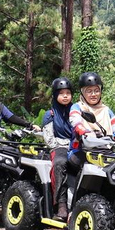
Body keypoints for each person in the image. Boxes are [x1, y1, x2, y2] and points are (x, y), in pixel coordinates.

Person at [68, 72, 115, 171]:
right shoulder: (78, 107)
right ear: (82, 92)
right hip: (82, 150)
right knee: (89, 172)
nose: (93, 94)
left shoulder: (106, 110)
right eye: (89, 91)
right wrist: (80, 129)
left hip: (106, 152)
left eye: (96, 90)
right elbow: (75, 120)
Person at [42, 77, 73, 221]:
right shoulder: (50, 114)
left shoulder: (77, 112)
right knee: (60, 163)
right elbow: (49, 139)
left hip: (78, 146)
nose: (65, 96)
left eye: (68, 93)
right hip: (59, 146)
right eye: (62, 93)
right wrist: (63, 145)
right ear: (55, 96)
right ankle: (61, 204)